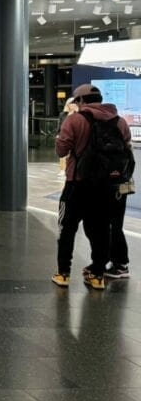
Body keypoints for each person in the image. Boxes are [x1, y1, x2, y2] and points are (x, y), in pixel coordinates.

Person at [54, 83, 133, 290]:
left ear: (80, 101)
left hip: (77, 184)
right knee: (100, 230)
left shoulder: (75, 120)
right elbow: (126, 147)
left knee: (67, 229)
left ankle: (63, 274)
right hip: (107, 186)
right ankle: (97, 275)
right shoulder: (120, 121)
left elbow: (61, 150)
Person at [57, 97, 79, 179]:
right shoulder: (63, 114)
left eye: (74, 103)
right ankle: (62, 170)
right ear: (67, 105)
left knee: (74, 154)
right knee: (63, 154)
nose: (72, 105)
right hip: (65, 136)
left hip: (76, 137)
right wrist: (58, 134)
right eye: (71, 103)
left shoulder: (79, 114)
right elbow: (60, 126)